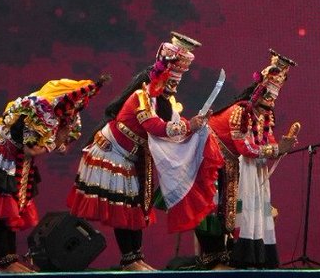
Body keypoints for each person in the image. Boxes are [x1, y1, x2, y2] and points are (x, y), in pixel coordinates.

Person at [68, 32, 223, 271]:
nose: (172, 88)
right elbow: (156, 127)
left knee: (136, 207)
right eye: (170, 82)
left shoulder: (164, 101)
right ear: (159, 77)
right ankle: (129, 260)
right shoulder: (141, 97)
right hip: (115, 154)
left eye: (176, 84)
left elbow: (173, 123)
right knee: (122, 207)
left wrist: (195, 125)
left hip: (135, 157)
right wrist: (188, 125)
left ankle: (136, 257)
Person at [0, 77, 107, 273]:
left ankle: (10, 260)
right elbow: (32, 149)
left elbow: (61, 147)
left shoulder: (68, 116)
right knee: (3, 208)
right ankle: (6, 263)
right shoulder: (40, 111)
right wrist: (55, 141)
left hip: (21, 160)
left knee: (11, 209)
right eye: (78, 100)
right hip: (2, 155)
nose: (80, 105)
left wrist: (62, 134)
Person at [195, 50, 299, 269]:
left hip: (229, 162)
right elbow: (248, 148)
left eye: (272, 102)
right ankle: (212, 260)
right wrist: (276, 149)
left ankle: (228, 257)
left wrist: (281, 147)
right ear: (257, 95)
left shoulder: (264, 113)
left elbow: (265, 142)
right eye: (265, 101)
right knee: (211, 208)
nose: (268, 107)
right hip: (207, 159)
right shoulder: (241, 112)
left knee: (229, 210)